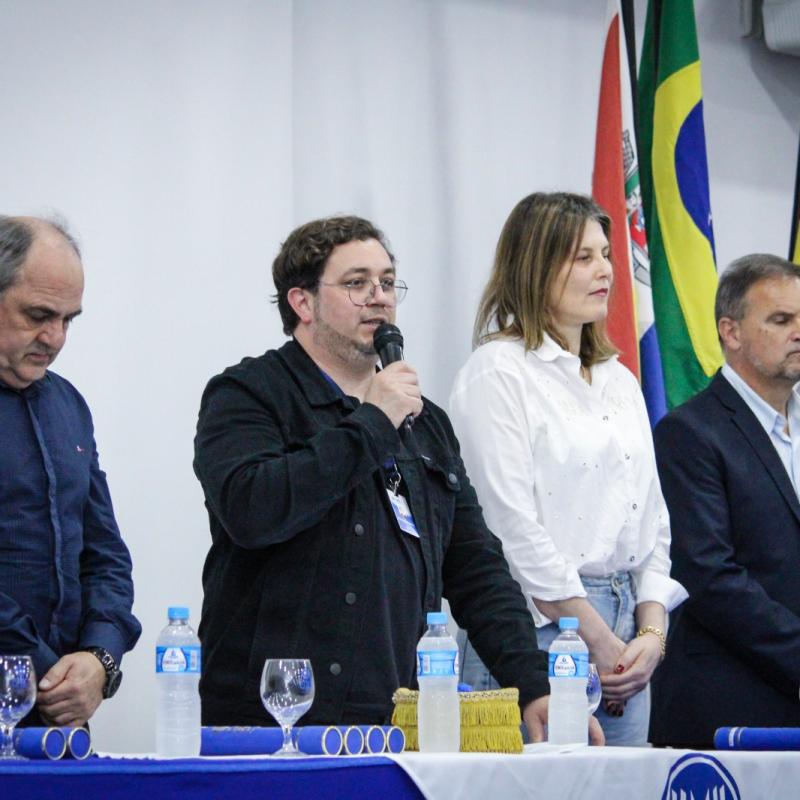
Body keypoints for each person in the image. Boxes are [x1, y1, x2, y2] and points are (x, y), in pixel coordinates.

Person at [194, 215, 603, 743]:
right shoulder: (248, 394)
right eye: (357, 283)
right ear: (302, 303)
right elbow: (253, 510)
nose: (380, 298)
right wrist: (372, 422)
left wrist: (531, 682)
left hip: (390, 716)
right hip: (271, 717)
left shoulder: (424, 422)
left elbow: (476, 567)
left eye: (387, 282)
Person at [448, 192, 687, 745]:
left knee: (623, 784)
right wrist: (598, 639)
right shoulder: (498, 372)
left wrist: (651, 633)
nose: (605, 270)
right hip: (536, 629)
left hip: (628, 628)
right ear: (535, 265)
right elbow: (510, 529)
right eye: (583, 257)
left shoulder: (618, 379)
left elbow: (653, 520)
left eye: (605, 254)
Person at [650, 254, 800, 748]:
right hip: (730, 705)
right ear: (730, 332)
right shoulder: (689, 432)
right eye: (781, 319)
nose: (799, 332)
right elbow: (709, 574)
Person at [0, 215, 141, 726]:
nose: (55, 337)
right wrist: (46, 671)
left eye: (68, 320)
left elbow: (105, 553)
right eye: (38, 315)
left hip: (56, 715)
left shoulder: (69, 405)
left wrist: (100, 658)